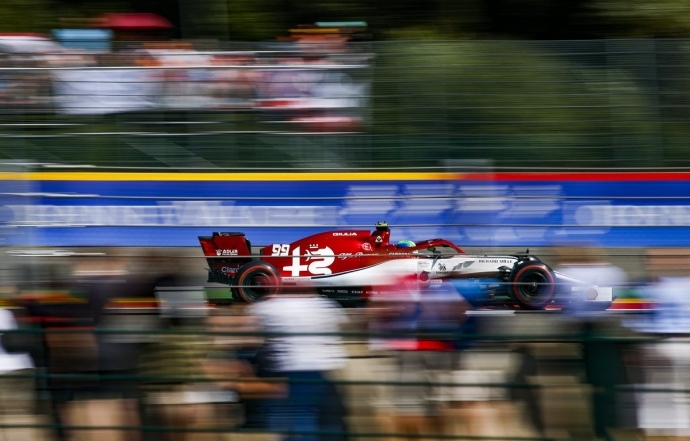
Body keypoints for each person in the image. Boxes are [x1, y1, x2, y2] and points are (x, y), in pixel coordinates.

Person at [248, 289, 349, 441]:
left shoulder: (271, 306)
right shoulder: (324, 305)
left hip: (295, 373)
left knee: (299, 420)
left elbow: (252, 324)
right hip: (318, 373)